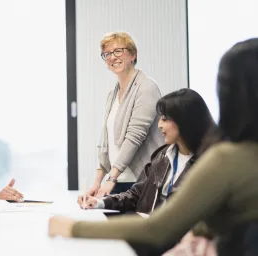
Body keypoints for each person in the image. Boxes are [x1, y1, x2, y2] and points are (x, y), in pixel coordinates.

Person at [48, 38, 258, 254]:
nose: (159, 125)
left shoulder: (223, 160)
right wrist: (99, 194)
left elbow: (160, 227)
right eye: (107, 54)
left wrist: (74, 226)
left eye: (118, 51)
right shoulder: (162, 155)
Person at [78, 89, 216, 214]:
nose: (159, 124)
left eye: (165, 119)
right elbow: (137, 194)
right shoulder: (162, 156)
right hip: (149, 232)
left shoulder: (210, 163)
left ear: (185, 121)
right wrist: (100, 202)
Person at [88, 32, 163, 198]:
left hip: (141, 180)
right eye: (107, 54)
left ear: (133, 54)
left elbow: (135, 137)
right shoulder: (112, 94)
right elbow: (106, 141)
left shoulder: (146, 87)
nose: (112, 57)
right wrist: (97, 182)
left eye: (118, 51)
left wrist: (111, 177)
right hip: (117, 180)